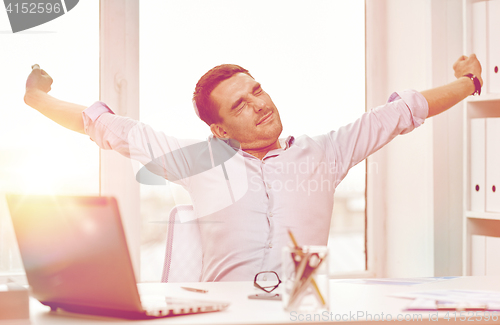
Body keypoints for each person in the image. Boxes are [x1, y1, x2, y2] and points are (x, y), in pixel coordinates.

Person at [24, 55, 482, 281]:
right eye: (240, 105)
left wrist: (469, 80)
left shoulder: (326, 152)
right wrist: (38, 99)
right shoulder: (199, 162)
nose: (260, 105)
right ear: (220, 130)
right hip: (223, 316)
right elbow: (105, 126)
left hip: (303, 313)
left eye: (258, 90)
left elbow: (403, 113)